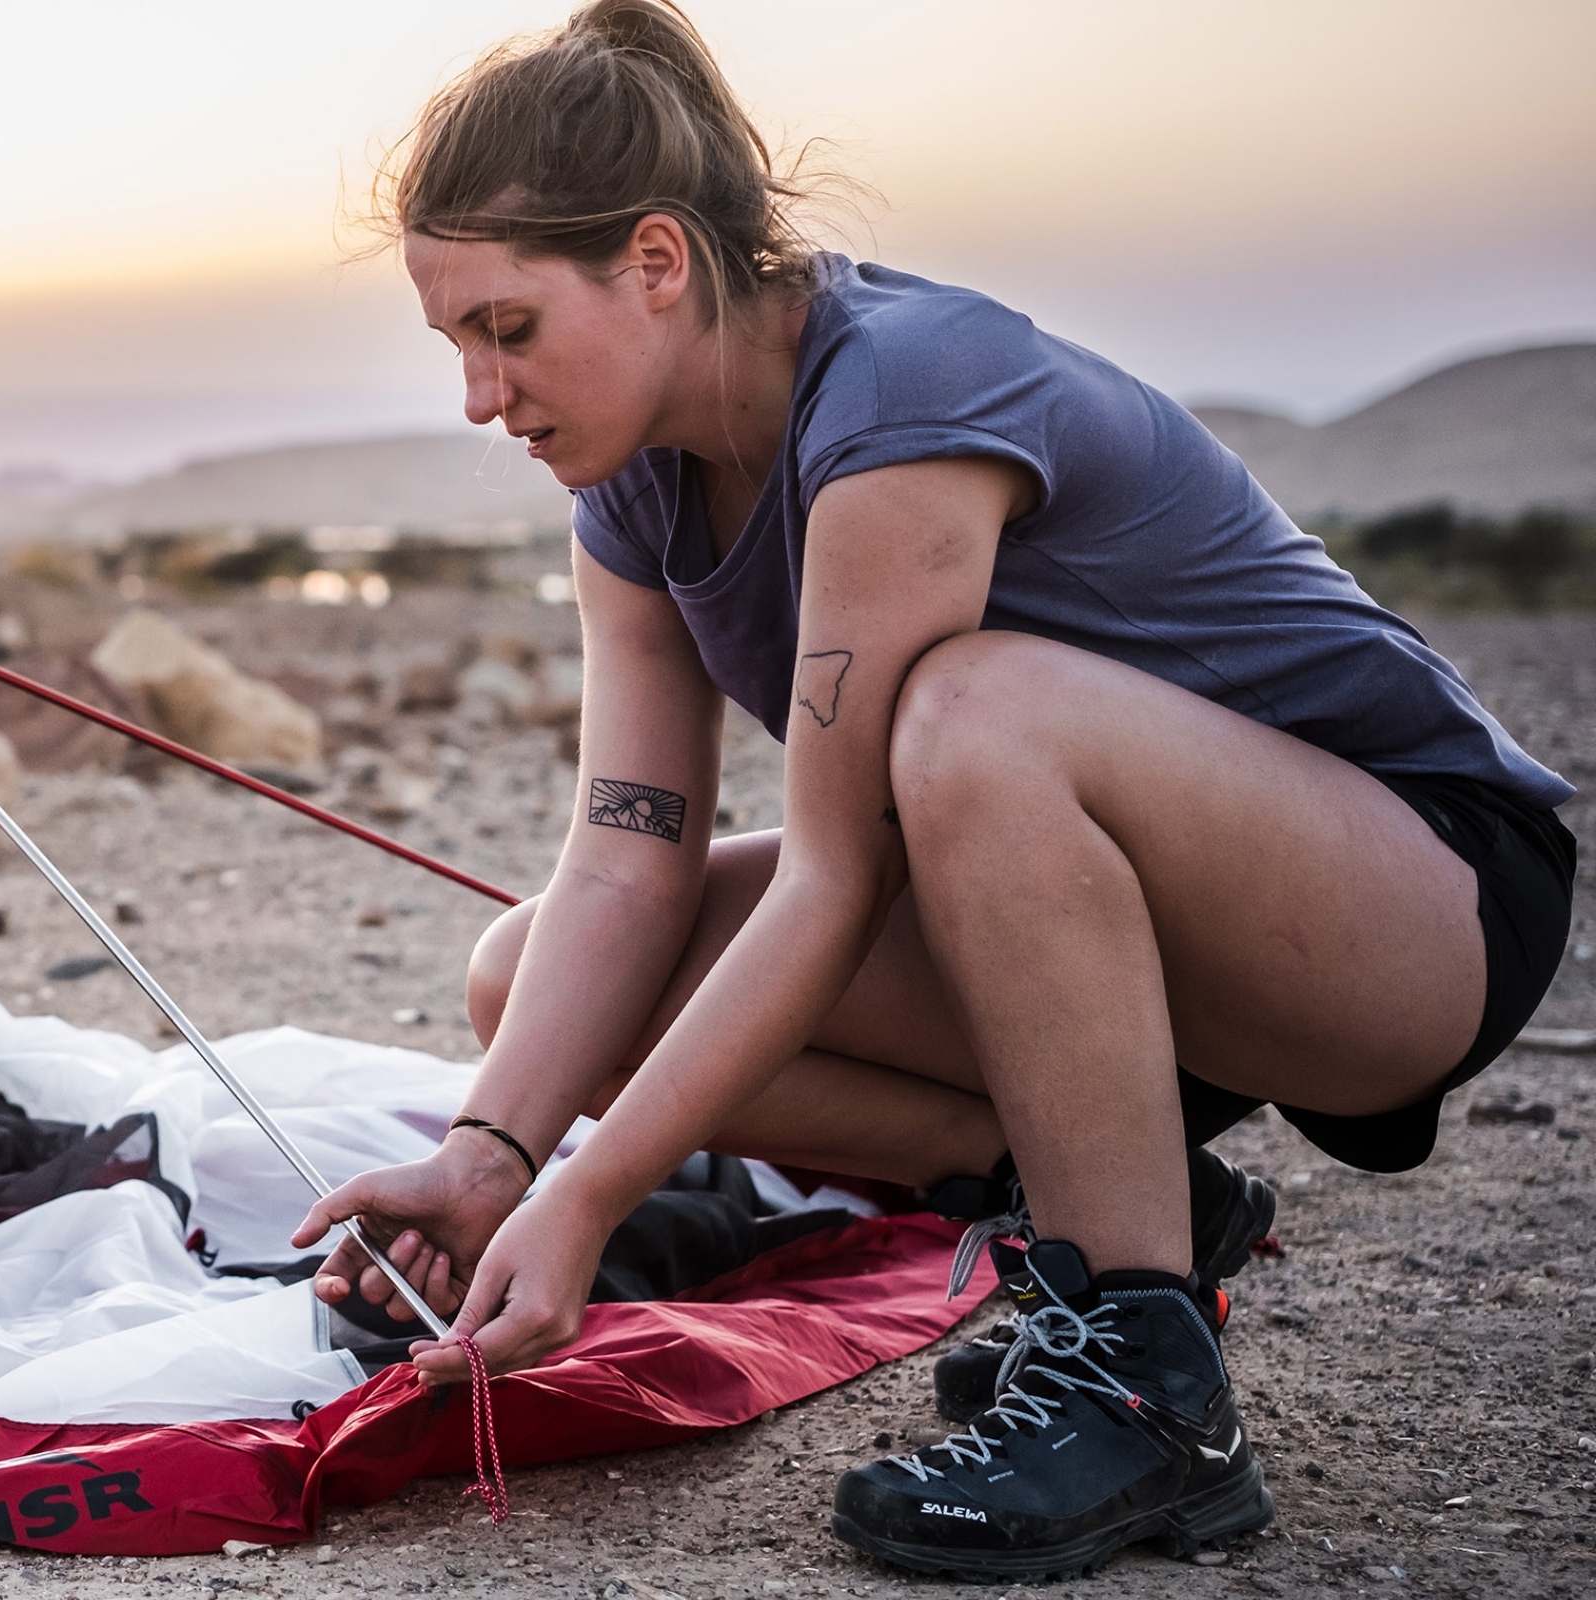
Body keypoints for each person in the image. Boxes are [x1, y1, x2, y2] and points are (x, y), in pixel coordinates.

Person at [288, 0, 1573, 1581]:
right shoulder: (627, 492)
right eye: (457, 347)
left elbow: (835, 873)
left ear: (658, 261)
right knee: (525, 971)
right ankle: (1127, 1229)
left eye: (509, 329)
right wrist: (494, 1161)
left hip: (1419, 902)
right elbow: (630, 862)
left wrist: (596, 1192)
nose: (483, 395)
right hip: (1126, 940)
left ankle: (1150, 1402)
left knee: (969, 716)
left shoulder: (899, 397)